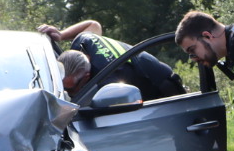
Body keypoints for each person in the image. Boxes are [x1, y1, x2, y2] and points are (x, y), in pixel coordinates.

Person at [39, 19, 185, 102]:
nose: (69, 93)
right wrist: (61, 35)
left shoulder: (108, 80)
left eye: (70, 89)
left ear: (86, 77)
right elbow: (93, 25)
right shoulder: (83, 41)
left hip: (164, 89)